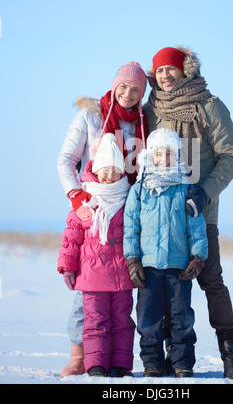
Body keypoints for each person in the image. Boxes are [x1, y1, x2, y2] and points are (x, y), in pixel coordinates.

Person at [143, 46, 233, 380]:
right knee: (164, 288)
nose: (165, 76)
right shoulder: (150, 110)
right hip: (159, 218)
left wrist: (203, 193)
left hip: (199, 214)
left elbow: (231, 157)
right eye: (159, 71)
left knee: (211, 280)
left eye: (171, 69)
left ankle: (231, 355)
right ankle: (173, 360)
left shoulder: (209, 106)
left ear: (185, 70)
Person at [57, 62, 148, 376]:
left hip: (126, 209)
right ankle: (80, 357)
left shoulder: (142, 122)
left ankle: (117, 361)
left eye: (136, 88)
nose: (127, 93)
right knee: (87, 296)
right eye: (123, 86)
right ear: (114, 86)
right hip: (90, 207)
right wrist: (75, 195)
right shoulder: (90, 115)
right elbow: (66, 159)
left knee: (121, 305)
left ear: (142, 93)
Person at [123, 128, 208, 378]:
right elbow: (131, 227)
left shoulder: (186, 189)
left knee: (181, 317)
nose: (165, 158)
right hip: (148, 266)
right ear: (151, 156)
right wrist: (132, 259)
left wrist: (198, 257)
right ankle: (152, 363)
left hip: (178, 265)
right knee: (148, 317)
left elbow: (196, 226)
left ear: (178, 156)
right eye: (159, 154)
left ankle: (181, 362)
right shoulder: (139, 190)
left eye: (170, 153)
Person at [57, 133, 136, 377]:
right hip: (91, 275)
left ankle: (121, 366)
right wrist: (68, 267)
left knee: (122, 321)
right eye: (105, 170)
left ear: (122, 172)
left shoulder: (129, 198)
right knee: (95, 321)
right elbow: (71, 238)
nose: (110, 176)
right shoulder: (85, 202)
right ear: (96, 169)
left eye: (115, 171)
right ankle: (96, 366)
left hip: (122, 272)